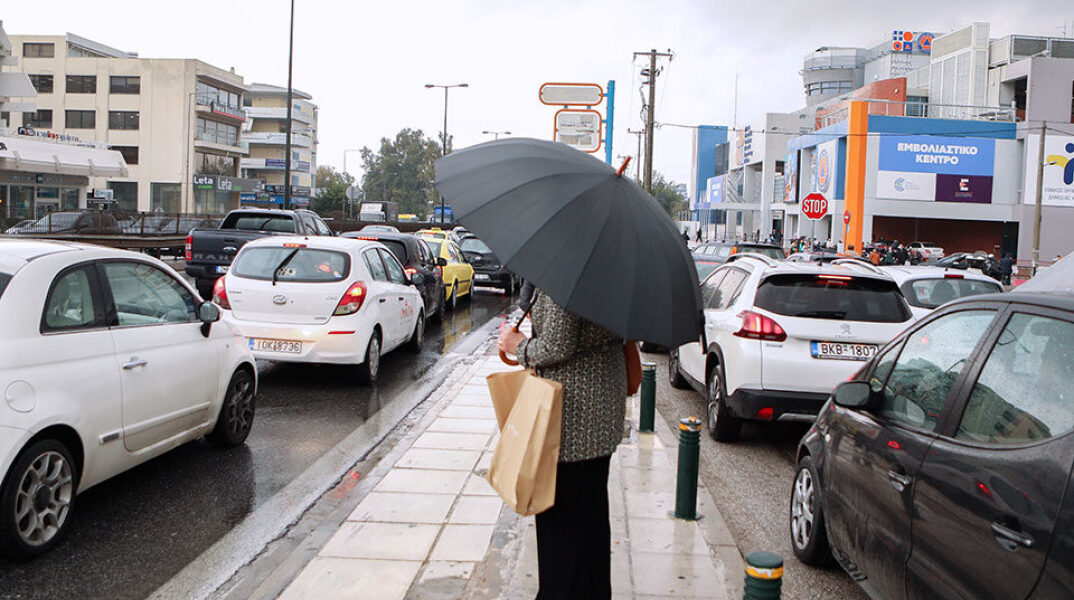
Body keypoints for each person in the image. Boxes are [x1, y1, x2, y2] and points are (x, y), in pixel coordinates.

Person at [498, 292, 625, 599]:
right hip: (603, 412)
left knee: (561, 531)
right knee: (591, 522)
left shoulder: (568, 279)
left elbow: (558, 344)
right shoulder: (613, 272)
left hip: (571, 421)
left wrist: (518, 346)